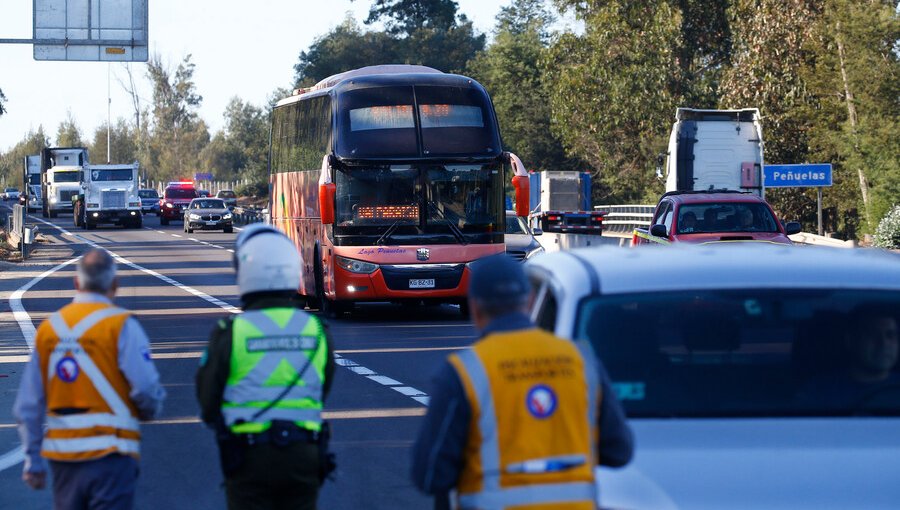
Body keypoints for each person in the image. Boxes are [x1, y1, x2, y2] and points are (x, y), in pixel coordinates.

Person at [411, 254, 634, 509]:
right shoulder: (582, 361)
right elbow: (619, 451)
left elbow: (429, 476)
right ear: (529, 301)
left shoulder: (464, 371)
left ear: (474, 306)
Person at [196, 224, 336, 510]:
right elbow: (321, 390)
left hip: (249, 454)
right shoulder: (317, 330)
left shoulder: (232, 332)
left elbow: (208, 400)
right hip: (303, 452)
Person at [13, 249, 165, 510]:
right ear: (114, 285)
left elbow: (29, 405)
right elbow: (146, 388)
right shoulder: (121, 326)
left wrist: (33, 462)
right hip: (112, 455)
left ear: (76, 283)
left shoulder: (49, 329)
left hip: (63, 459)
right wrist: (149, 411)